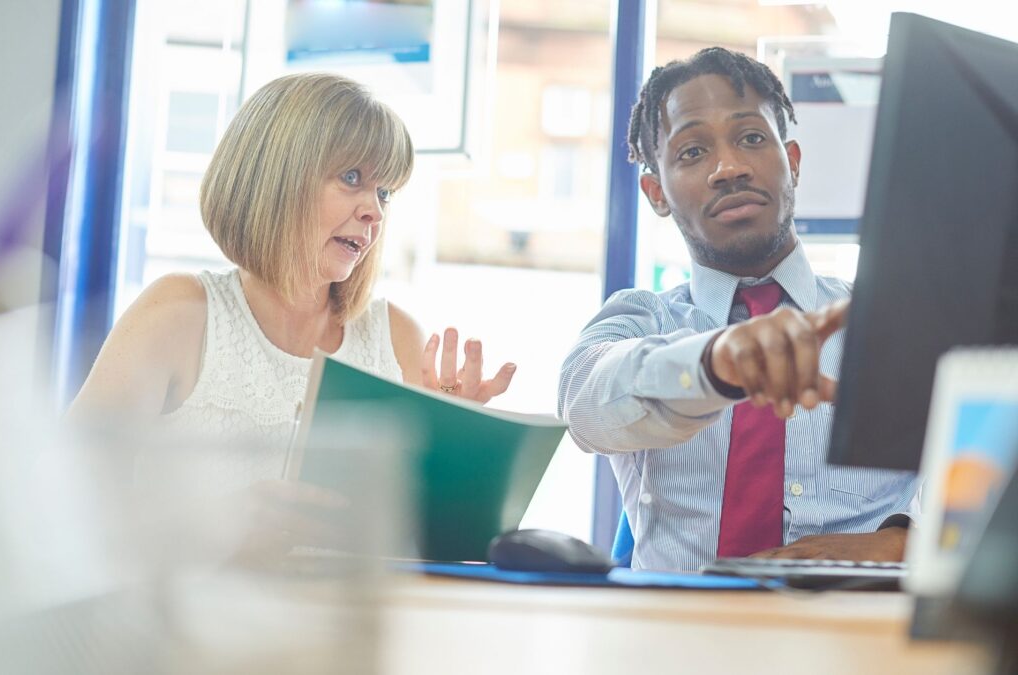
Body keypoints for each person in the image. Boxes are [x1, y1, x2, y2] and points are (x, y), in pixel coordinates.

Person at [69, 73, 516, 556]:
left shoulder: (399, 337)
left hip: (346, 627)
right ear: (278, 177)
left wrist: (456, 456)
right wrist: (212, 525)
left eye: (384, 192)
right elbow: (58, 499)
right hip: (188, 625)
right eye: (352, 179)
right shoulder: (179, 313)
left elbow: (423, 547)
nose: (375, 213)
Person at [558, 48, 919, 572]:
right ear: (656, 192)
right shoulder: (642, 318)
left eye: (751, 138)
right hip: (675, 639)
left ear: (792, 162)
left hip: (852, 636)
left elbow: (990, 481)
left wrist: (912, 545)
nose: (728, 168)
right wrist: (714, 363)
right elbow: (584, 403)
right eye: (692, 152)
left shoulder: (893, 322)